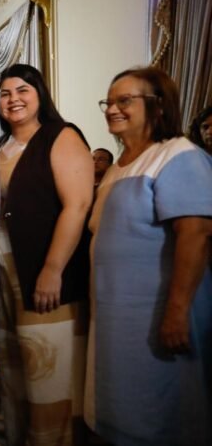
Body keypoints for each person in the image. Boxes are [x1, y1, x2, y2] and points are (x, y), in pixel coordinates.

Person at [86, 67, 212, 445]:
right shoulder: (119, 166)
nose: (112, 109)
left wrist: (176, 312)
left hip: (160, 311)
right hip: (117, 315)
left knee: (163, 413)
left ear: (158, 106)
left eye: (125, 100)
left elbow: (197, 234)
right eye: (108, 101)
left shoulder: (178, 155)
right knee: (124, 409)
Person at [0, 64, 93, 446]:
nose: (13, 99)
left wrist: (52, 270)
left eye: (22, 90)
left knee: (48, 368)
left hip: (45, 269)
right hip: (5, 270)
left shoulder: (60, 136)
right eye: (4, 93)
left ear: (39, 94)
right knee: (15, 367)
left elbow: (78, 205)